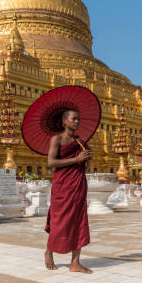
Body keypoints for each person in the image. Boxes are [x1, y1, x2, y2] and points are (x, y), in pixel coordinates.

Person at [45, 109, 93, 273]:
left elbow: (85, 167)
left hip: (78, 185)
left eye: (79, 119)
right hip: (62, 187)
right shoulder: (57, 139)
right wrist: (76, 159)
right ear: (65, 121)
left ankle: (75, 262)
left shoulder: (80, 141)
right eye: (74, 119)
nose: (77, 122)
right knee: (60, 221)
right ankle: (49, 250)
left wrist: (87, 160)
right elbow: (51, 162)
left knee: (79, 222)